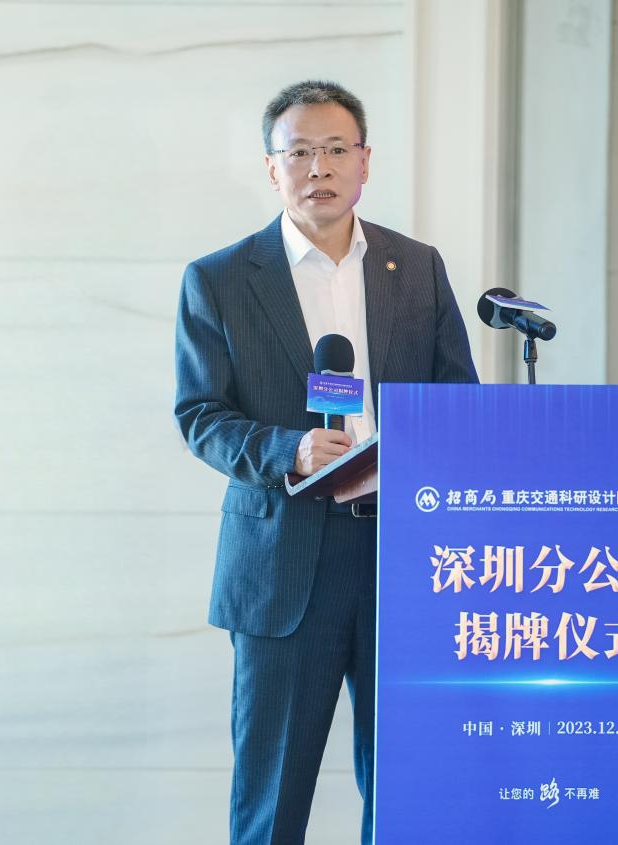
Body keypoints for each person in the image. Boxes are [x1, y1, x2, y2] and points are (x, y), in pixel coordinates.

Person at [173, 79, 478, 844]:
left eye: (336, 149)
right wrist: (291, 449)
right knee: (271, 799)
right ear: (271, 168)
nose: (320, 167)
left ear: (364, 161)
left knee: (406, 787)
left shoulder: (416, 267)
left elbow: (459, 401)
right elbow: (199, 415)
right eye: (300, 151)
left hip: (402, 555)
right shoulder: (219, 278)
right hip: (284, 559)